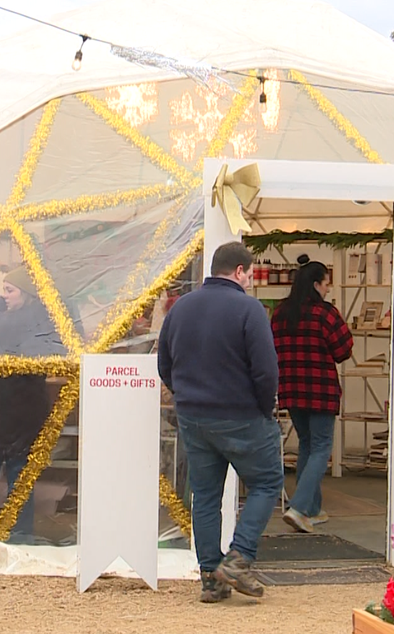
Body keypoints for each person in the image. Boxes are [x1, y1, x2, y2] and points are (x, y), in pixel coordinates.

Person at [158, 241, 283, 603]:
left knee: (206, 496)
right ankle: (239, 558)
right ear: (241, 271)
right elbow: (266, 370)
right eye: (251, 272)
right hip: (242, 415)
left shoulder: (180, 308)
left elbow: (164, 363)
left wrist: (184, 395)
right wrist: (263, 408)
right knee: (266, 481)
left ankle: (210, 579)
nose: (251, 279)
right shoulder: (249, 309)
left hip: (193, 416)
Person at [0, 265, 63, 542]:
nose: (4, 296)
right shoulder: (44, 318)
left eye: (9, 291)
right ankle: (20, 538)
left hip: (0, 411)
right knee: (21, 482)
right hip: (27, 412)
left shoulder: (14, 320)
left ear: (26, 293)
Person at [270, 255, 353, 533]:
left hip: (291, 389)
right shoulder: (326, 313)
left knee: (306, 444)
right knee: (320, 448)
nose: (328, 289)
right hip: (321, 390)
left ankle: (313, 509)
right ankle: (300, 507)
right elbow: (343, 351)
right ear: (317, 284)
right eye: (327, 284)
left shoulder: (280, 313)